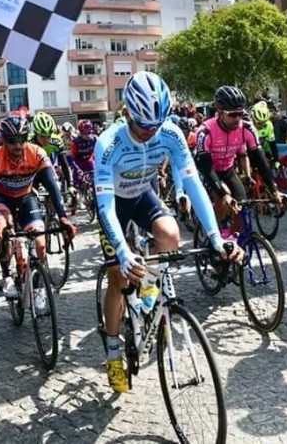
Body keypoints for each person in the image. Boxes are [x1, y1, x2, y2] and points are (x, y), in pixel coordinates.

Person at [94, 72, 243, 393]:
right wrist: (121, 251)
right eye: (144, 127)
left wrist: (217, 239)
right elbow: (105, 207)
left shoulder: (171, 134)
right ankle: (112, 350)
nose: (151, 134)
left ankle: (149, 288)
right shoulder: (107, 144)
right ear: (127, 115)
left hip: (142, 196)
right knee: (119, 278)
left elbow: (194, 184)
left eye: (156, 126)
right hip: (115, 205)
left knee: (171, 235)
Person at [0, 115, 76, 298]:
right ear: (3, 140)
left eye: (22, 140)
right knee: (2, 230)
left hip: (26, 198)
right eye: (12, 141)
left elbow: (53, 187)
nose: (18, 146)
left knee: (40, 244)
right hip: (1, 200)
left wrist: (63, 217)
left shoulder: (37, 153)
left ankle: (38, 285)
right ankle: (6, 275)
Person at [194, 86, 283, 224]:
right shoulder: (205, 131)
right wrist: (223, 195)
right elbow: (206, 168)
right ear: (219, 111)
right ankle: (215, 238)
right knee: (223, 198)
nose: (237, 119)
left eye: (240, 113)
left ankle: (236, 238)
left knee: (241, 205)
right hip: (208, 170)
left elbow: (260, 161)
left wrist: (274, 190)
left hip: (228, 170)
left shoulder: (246, 128)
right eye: (232, 114)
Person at [69, 119, 97, 213]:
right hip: (78, 163)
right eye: (85, 133)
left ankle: (95, 200)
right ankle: (74, 204)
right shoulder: (76, 142)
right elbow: (72, 158)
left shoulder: (95, 139)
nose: (88, 135)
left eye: (89, 132)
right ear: (80, 132)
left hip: (89, 162)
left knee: (95, 181)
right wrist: (77, 169)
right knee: (75, 187)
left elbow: (100, 153)